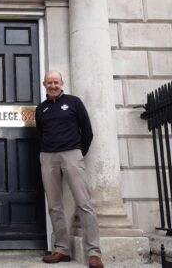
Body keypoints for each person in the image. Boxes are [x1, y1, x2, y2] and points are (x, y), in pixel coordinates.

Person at [35, 71, 104, 268]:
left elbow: (87, 131)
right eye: (49, 83)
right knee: (54, 206)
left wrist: (78, 152)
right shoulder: (41, 109)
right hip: (48, 157)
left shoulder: (74, 102)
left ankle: (94, 253)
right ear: (44, 85)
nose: (53, 85)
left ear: (62, 83)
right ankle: (61, 250)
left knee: (84, 203)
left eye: (56, 82)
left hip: (72, 154)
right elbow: (40, 133)